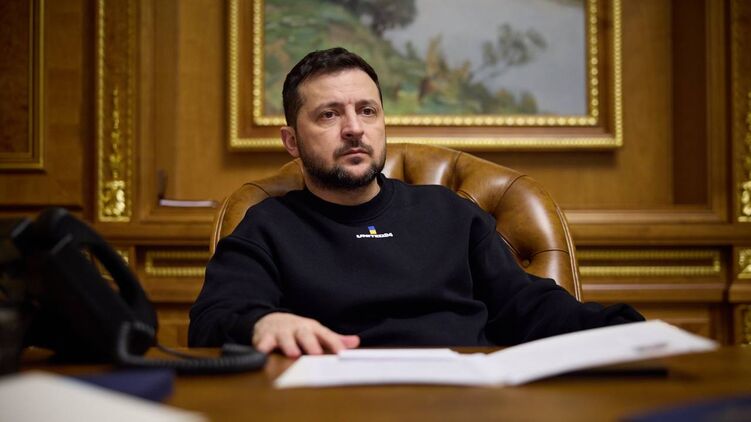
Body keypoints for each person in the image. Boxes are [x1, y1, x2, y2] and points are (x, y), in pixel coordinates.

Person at [189, 47, 643, 357]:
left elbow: (526, 305)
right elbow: (212, 321)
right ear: (291, 141)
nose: (354, 128)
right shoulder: (266, 226)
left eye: (367, 111)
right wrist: (261, 324)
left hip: (465, 401)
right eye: (329, 114)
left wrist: (627, 329)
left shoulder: (451, 213)